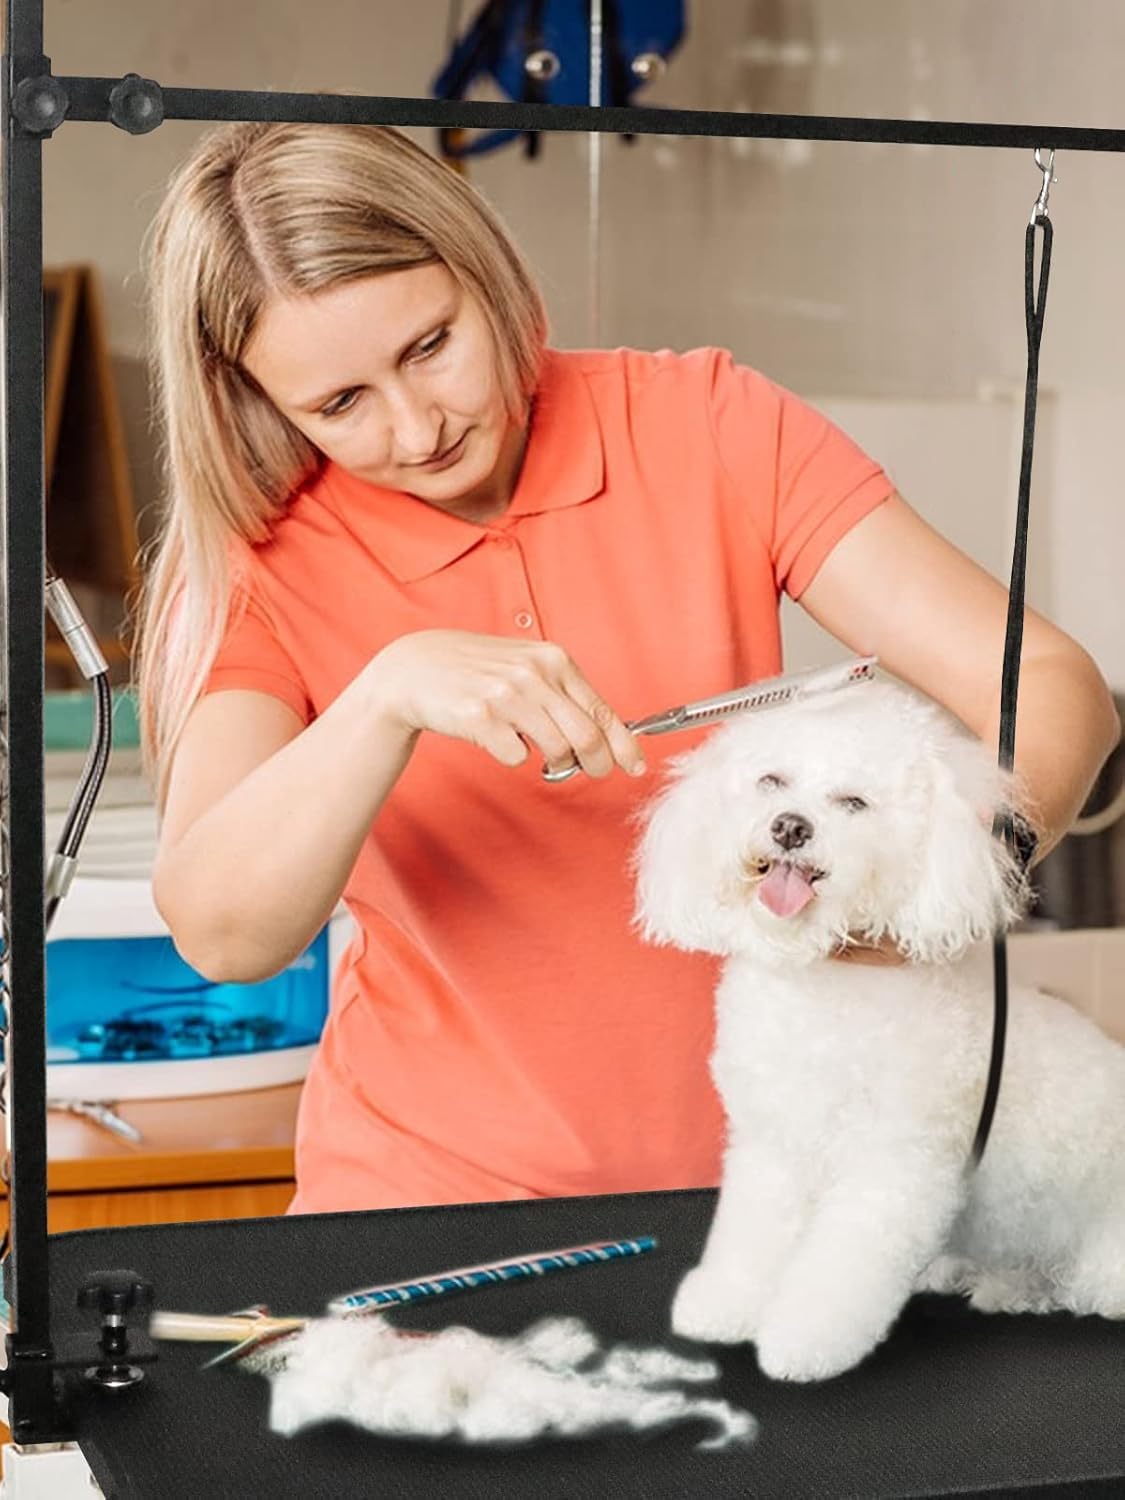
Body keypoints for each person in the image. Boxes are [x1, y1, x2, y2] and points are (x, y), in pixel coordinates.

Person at [134, 122, 1120, 1216]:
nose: (418, 428)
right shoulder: (256, 558)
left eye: (430, 346)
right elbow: (226, 934)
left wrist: (955, 886)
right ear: (259, 402)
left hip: (774, 1180)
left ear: (486, 269)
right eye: (338, 406)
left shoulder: (707, 423)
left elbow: (1052, 686)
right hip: (419, 1199)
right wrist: (386, 696)